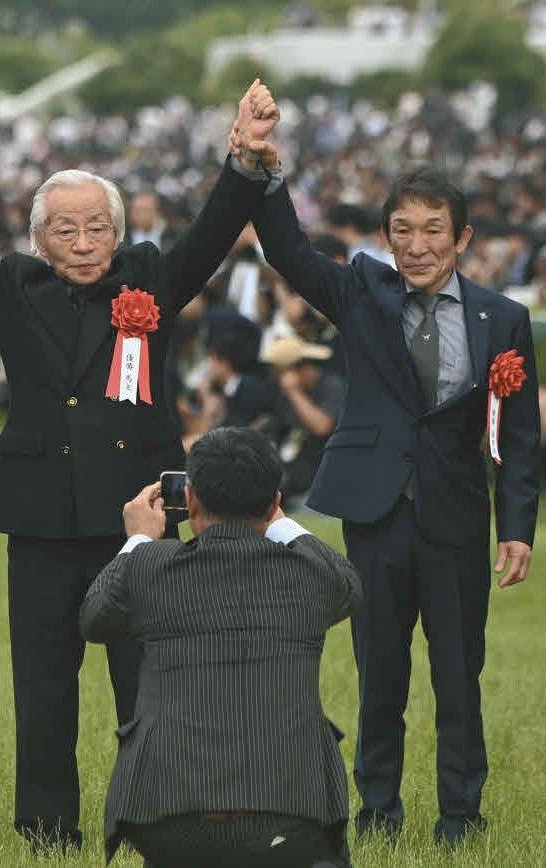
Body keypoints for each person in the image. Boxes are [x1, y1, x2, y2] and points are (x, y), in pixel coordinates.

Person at [0, 81, 282, 853]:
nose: (84, 242)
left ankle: (156, 818)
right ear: (39, 239)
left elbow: (216, 229)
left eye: (97, 227)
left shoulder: (151, 278)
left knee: (150, 687)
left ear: (119, 234)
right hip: (40, 517)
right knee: (44, 685)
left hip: (141, 519)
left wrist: (247, 155)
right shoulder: (11, 288)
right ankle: (46, 830)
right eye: (66, 230)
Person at [231, 91, 541, 846]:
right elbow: (289, 252)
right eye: (401, 230)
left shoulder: (500, 318)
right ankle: (376, 811)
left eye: (433, 230)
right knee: (379, 675)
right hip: (373, 512)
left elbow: (520, 434)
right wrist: (263, 172)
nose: (416, 244)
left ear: (461, 237)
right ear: (384, 237)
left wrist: (518, 528)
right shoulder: (360, 291)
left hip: (457, 515)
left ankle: (460, 816)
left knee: (457, 677)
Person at [79, 427, 361, 868]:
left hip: (169, 819)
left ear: (189, 503)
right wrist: (282, 525)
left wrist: (137, 539)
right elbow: (348, 585)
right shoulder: (311, 576)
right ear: (274, 502)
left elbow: (94, 616)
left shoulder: (149, 568)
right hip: (291, 818)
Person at [257, 336, 344, 507]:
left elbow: (322, 426)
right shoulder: (285, 397)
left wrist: (294, 393)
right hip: (292, 475)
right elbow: (274, 426)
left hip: (323, 478)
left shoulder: (331, 386)